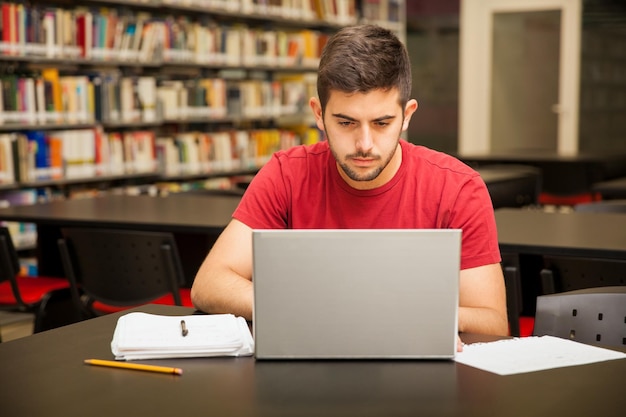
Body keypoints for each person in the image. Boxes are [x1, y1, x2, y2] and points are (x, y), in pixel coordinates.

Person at [191, 24, 509, 342]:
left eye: (382, 123)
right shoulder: (285, 174)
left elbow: (492, 323)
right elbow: (210, 282)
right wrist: (319, 309)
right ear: (319, 114)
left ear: (407, 114)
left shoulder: (459, 188)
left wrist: (407, 313)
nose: (364, 144)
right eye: (346, 123)